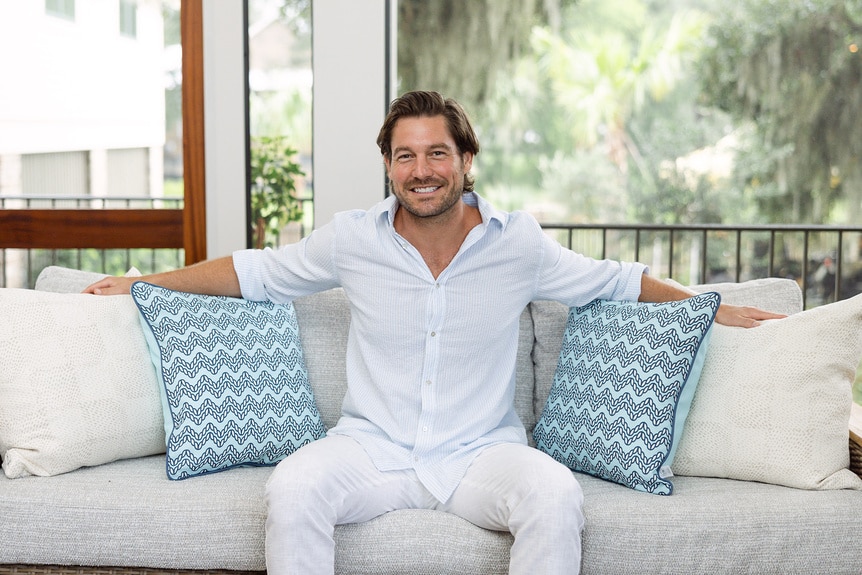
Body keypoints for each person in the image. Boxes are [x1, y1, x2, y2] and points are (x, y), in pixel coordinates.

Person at [85, 90, 784, 574]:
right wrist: (148, 282)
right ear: (389, 165)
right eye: (406, 156)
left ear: (465, 160)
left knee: (555, 493)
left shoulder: (519, 244)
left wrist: (709, 304)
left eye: (438, 153)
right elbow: (256, 272)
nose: (422, 171)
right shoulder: (352, 240)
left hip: (482, 455)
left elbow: (615, 281)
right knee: (294, 488)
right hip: (370, 450)